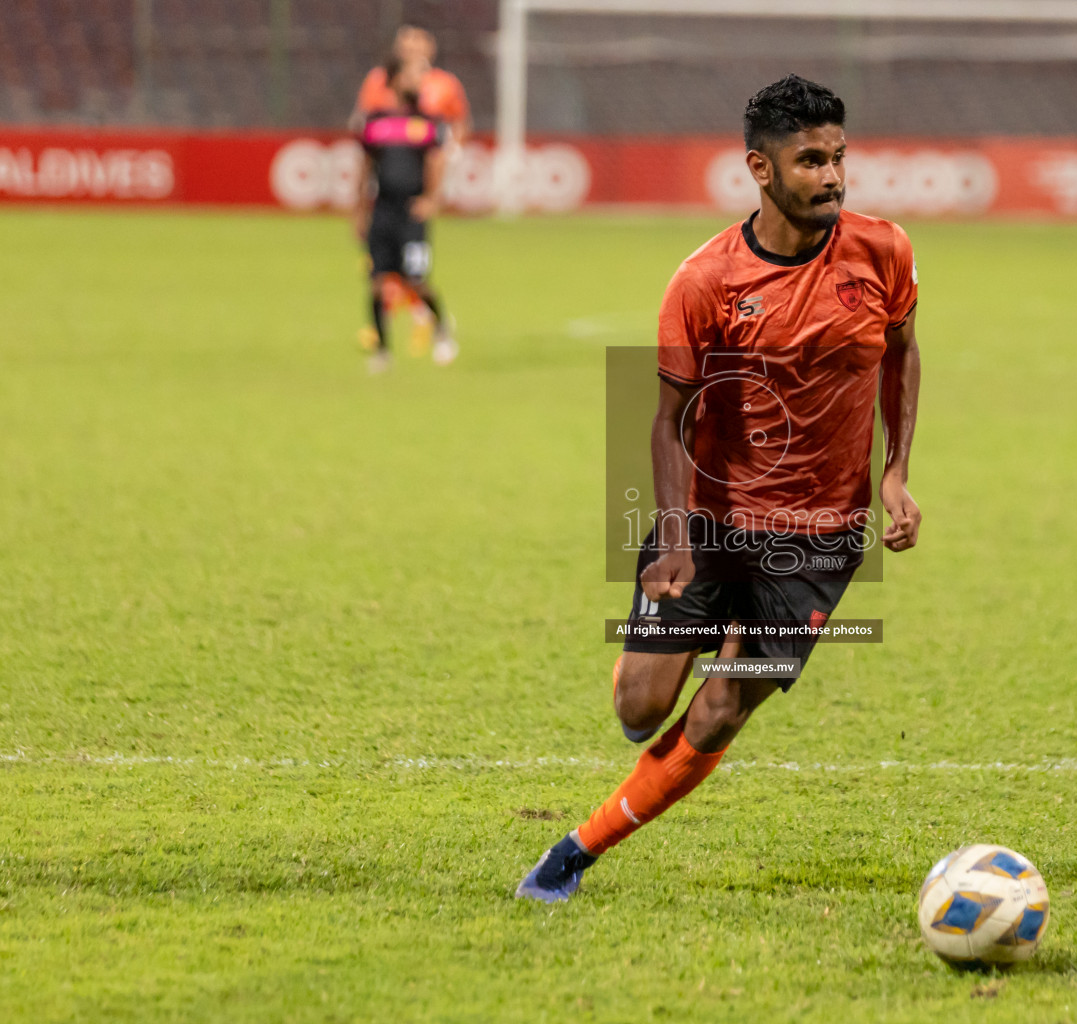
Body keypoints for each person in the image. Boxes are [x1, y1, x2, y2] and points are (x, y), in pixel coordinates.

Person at [516, 74, 923, 903]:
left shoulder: (884, 251)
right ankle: (698, 631)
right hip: (708, 520)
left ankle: (573, 853)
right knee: (639, 706)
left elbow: (903, 351)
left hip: (817, 538)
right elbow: (665, 422)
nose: (834, 175)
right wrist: (670, 540)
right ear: (760, 169)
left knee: (720, 709)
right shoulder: (704, 281)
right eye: (811, 159)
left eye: (840, 155)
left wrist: (897, 471)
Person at [351, 26, 471, 356]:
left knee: (415, 276)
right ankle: (381, 345)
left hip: (412, 205)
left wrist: (434, 195)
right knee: (379, 278)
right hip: (383, 205)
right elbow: (364, 160)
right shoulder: (376, 102)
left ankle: (434, 326)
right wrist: (359, 209)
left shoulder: (436, 105)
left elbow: (447, 143)